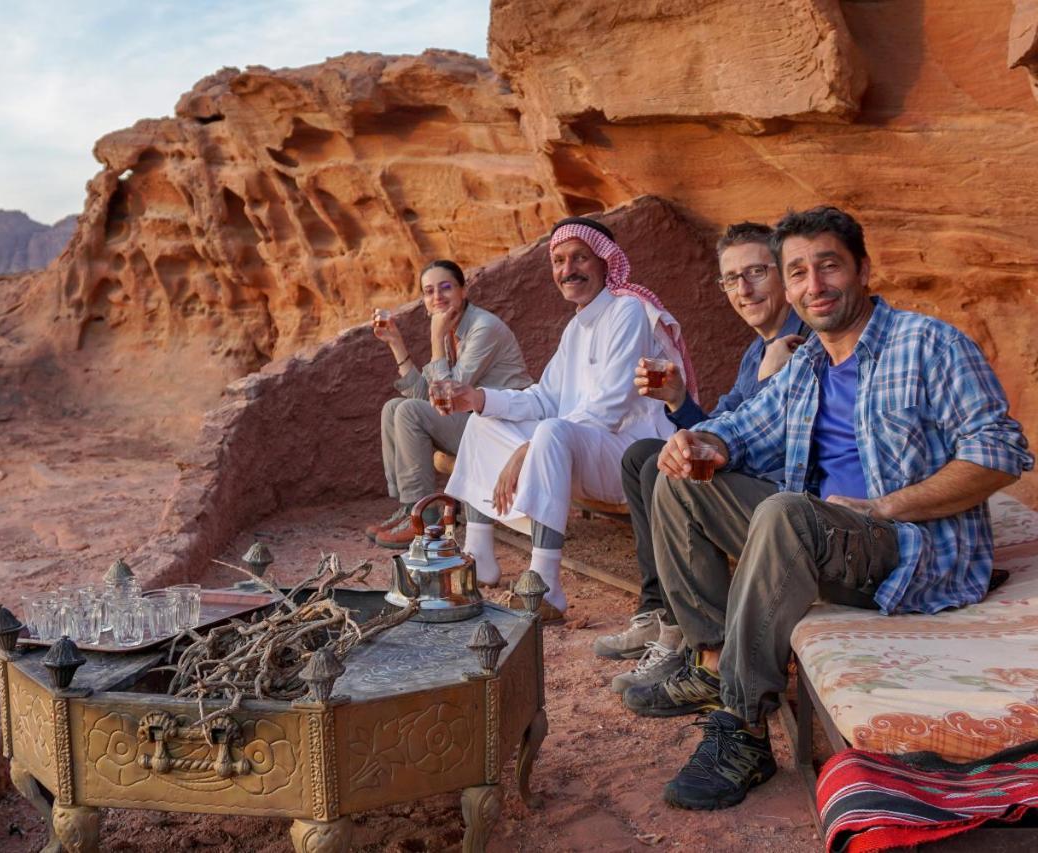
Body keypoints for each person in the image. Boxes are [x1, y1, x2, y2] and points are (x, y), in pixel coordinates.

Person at [622, 206, 1032, 811]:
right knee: (676, 478)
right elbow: (744, 425)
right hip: (825, 533)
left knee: (787, 513)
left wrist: (889, 506)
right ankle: (713, 662)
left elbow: (1000, 454)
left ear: (863, 269)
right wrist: (700, 442)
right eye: (798, 273)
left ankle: (742, 728)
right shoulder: (807, 362)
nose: (814, 286)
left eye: (829, 266)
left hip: (911, 549)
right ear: (787, 287)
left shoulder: (930, 344)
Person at [594, 222, 811, 694]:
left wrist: (774, 377)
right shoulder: (759, 350)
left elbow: (776, 442)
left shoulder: (804, 341)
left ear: (785, 275)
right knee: (642, 458)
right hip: (757, 486)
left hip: (790, 502)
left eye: (756, 272)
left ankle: (705, 651)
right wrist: (677, 400)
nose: (743, 289)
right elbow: (727, 423)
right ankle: (661, 614)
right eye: (731, 279)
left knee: (666, 472)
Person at [441, 216, 691, 620]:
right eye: (558, 260)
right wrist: (479, 397)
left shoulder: (627, 312)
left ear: (606, 264)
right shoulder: (577, 327)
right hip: (581, 448)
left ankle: (545, 586)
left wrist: (528, 447)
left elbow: (609, 407)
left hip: (630, 455)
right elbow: (545, 397)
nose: (567, 269)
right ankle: (479, 555)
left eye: (580, 258)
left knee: (550, 433)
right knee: (482, 421)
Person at [368, 259, 531, 548]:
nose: (437, 297)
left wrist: (435, 338)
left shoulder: (483, 327)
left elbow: (449, 395)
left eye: (445, 288)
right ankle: (410, 509)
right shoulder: (451, 328)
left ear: (463, 291)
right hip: (473, 422)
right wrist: (396, 344)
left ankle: (426, 514)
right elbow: (428, 400)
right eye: (429, 291)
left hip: (503, 427)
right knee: (393, 408)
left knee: (406, 411)